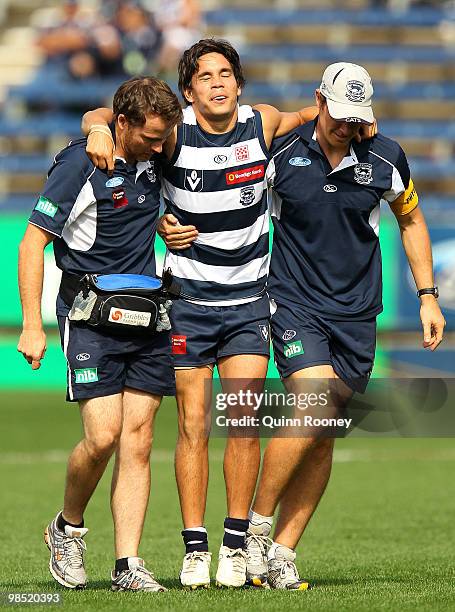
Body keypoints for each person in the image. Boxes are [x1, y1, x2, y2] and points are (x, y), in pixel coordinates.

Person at [81, 38, 334, 589]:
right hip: (188, 305)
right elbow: (108, 115)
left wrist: (353, 114)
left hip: (248, 305)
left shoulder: (262, 124)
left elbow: (316, 111)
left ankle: (236, 546)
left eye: (225, 74)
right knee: (193, 427)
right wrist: (97, 127)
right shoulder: (173, 136)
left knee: (243, 426)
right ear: (188, 90)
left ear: (238, 84)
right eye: (204, 76)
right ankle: (194, 548)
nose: (217, 83)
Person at [244, 62, 446, 589]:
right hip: (292, 302)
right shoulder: (280, 153)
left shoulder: (386, 157)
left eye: (358, 117)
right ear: (319, 101)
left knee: (324, 434)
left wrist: (428, 297)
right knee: (313, 402)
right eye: (338, 114)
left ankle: (282, 554)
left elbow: (411, 220)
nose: (346, 126)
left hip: (357, 313)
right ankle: (254, 530)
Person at [17, 76, 182, 592]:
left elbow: (99, 113)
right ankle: (67, 526)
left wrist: (165, 226)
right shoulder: (79, 164)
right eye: (152, 137)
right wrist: (31, 324)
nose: (162, 147)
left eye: (165, 137)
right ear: (124, 124)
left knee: (138, 440)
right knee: (103, 436)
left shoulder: (154, 150)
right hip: (88, 315)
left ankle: (128, 565)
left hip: (148, 313)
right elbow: (30, 244)